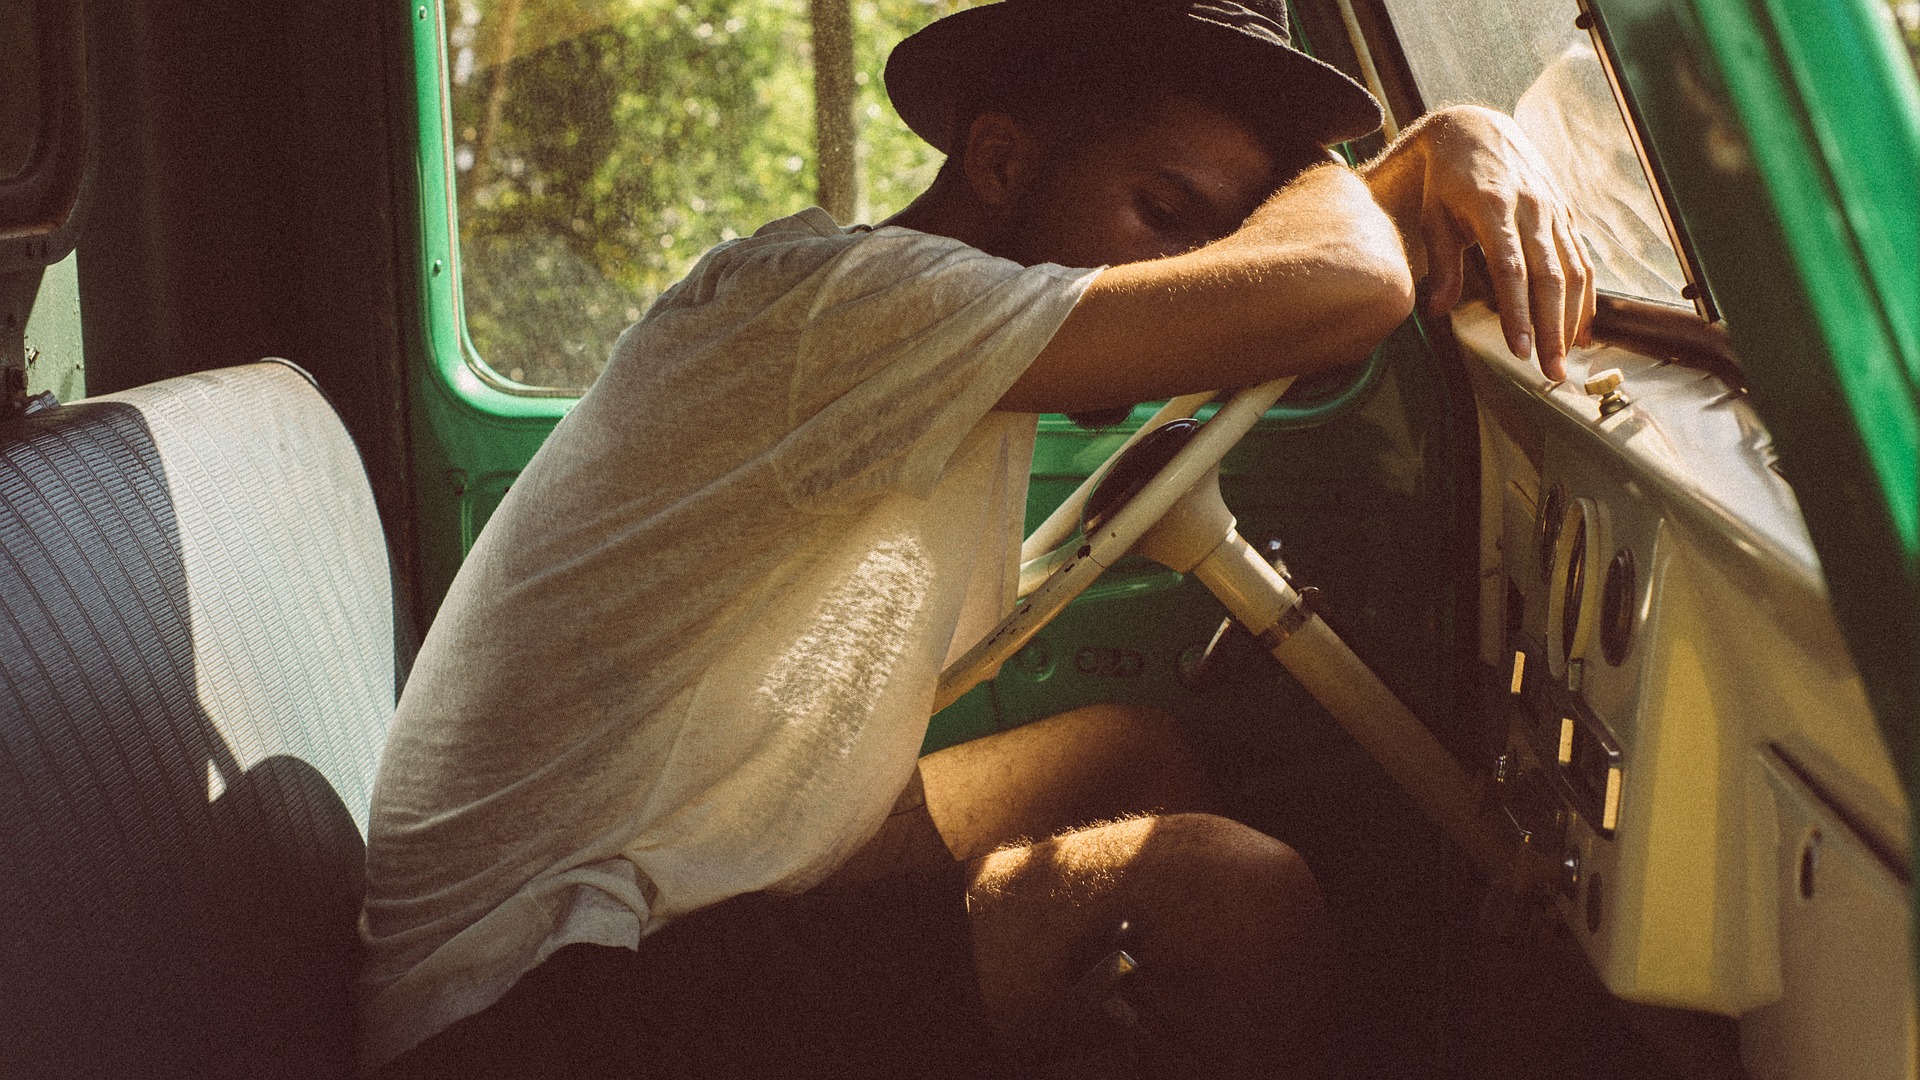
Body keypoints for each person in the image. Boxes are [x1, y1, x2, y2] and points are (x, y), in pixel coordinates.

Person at [357, 1, 1594, 1077]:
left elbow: (1284, 289)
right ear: (999, 161)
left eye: (1213, 238)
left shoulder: (963, 327)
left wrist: (1396, 167)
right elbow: (1343, 289)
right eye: (1164, 212)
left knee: (1129, 759)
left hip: (686, 890)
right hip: (528, 1012)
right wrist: (1419, 145)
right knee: (1233, 904)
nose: (1190, 273)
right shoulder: (837, 308)